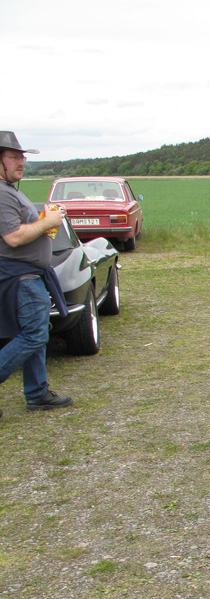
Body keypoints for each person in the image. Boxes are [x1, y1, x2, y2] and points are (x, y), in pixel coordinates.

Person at [0, 131, 73, 415]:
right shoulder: (2, 194)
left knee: (32, 332)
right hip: (21, 277)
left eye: (22, 157)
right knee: (34, 334)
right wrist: (48, 221)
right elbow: (14, 237)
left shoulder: (10, 190)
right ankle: (37, 392)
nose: (21, 162)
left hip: (28, 275)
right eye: (14, 157)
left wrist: (45, 220)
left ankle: (37, 393)